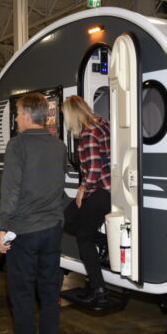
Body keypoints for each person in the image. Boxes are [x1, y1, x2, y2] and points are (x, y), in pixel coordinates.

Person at [0, 93, 66, 334]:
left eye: (17, 113)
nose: (15, 118)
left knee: (22, 296)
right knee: (49, 294)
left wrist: (1, 228)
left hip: (23, 232)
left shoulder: (17, 145)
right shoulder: (59, 146)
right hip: (52, 230)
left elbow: (10, 191)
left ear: (27, 114)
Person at [61, 95, 111, 304]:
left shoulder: (88, 134)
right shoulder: (102, 123)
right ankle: (105, 243)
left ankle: (98, 288)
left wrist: (82, 188)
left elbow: (94, 170)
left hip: (100, 190)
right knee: (68, 219)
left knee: (82, 236)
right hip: (108, 189)